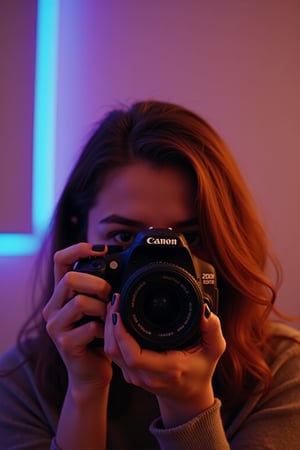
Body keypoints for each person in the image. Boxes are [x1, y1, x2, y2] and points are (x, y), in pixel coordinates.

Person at [0, 100, 299, 450]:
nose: (157, 265)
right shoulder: (21, 381)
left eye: (190, 238)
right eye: (124, 238)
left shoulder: (280, 372)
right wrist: (85, 391)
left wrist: (189, 406)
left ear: (225, 239)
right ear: (80, 232)